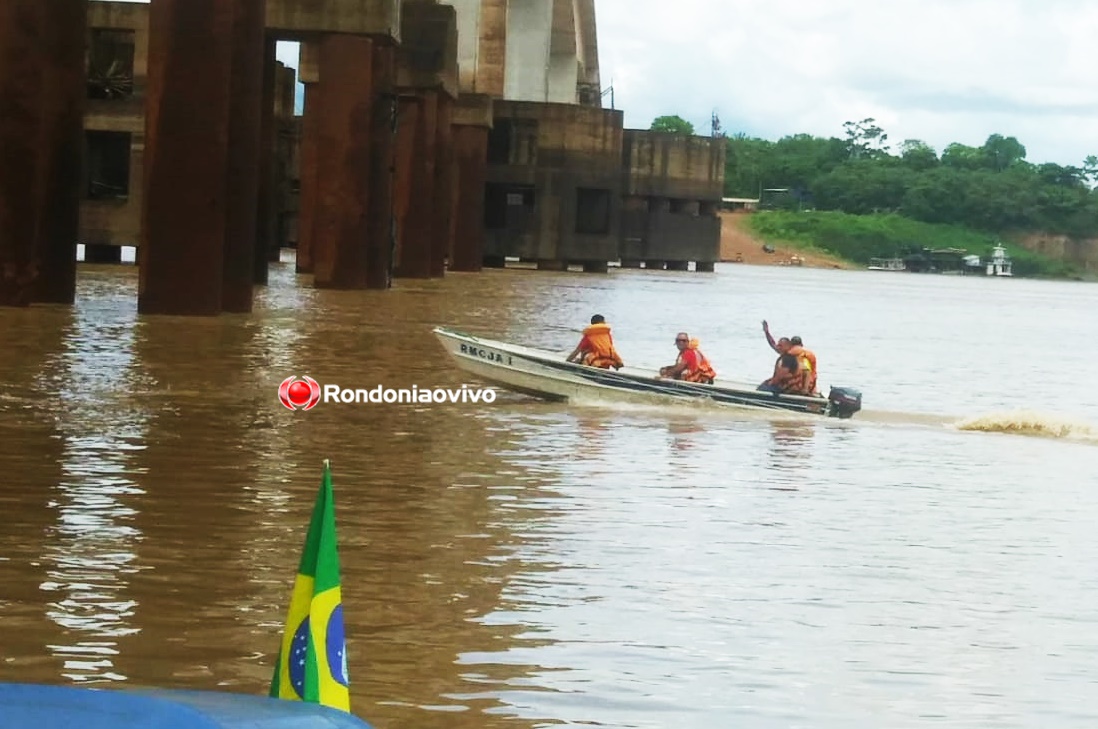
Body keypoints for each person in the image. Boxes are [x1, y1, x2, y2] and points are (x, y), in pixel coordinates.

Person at [762, 321, 819, 395]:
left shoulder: (791, 353)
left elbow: (806, 371)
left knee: (765, 386)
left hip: (796, 387)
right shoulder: (809, 354)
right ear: (802, 344)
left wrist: (767, 332)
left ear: (790, 345)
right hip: (810, 387)